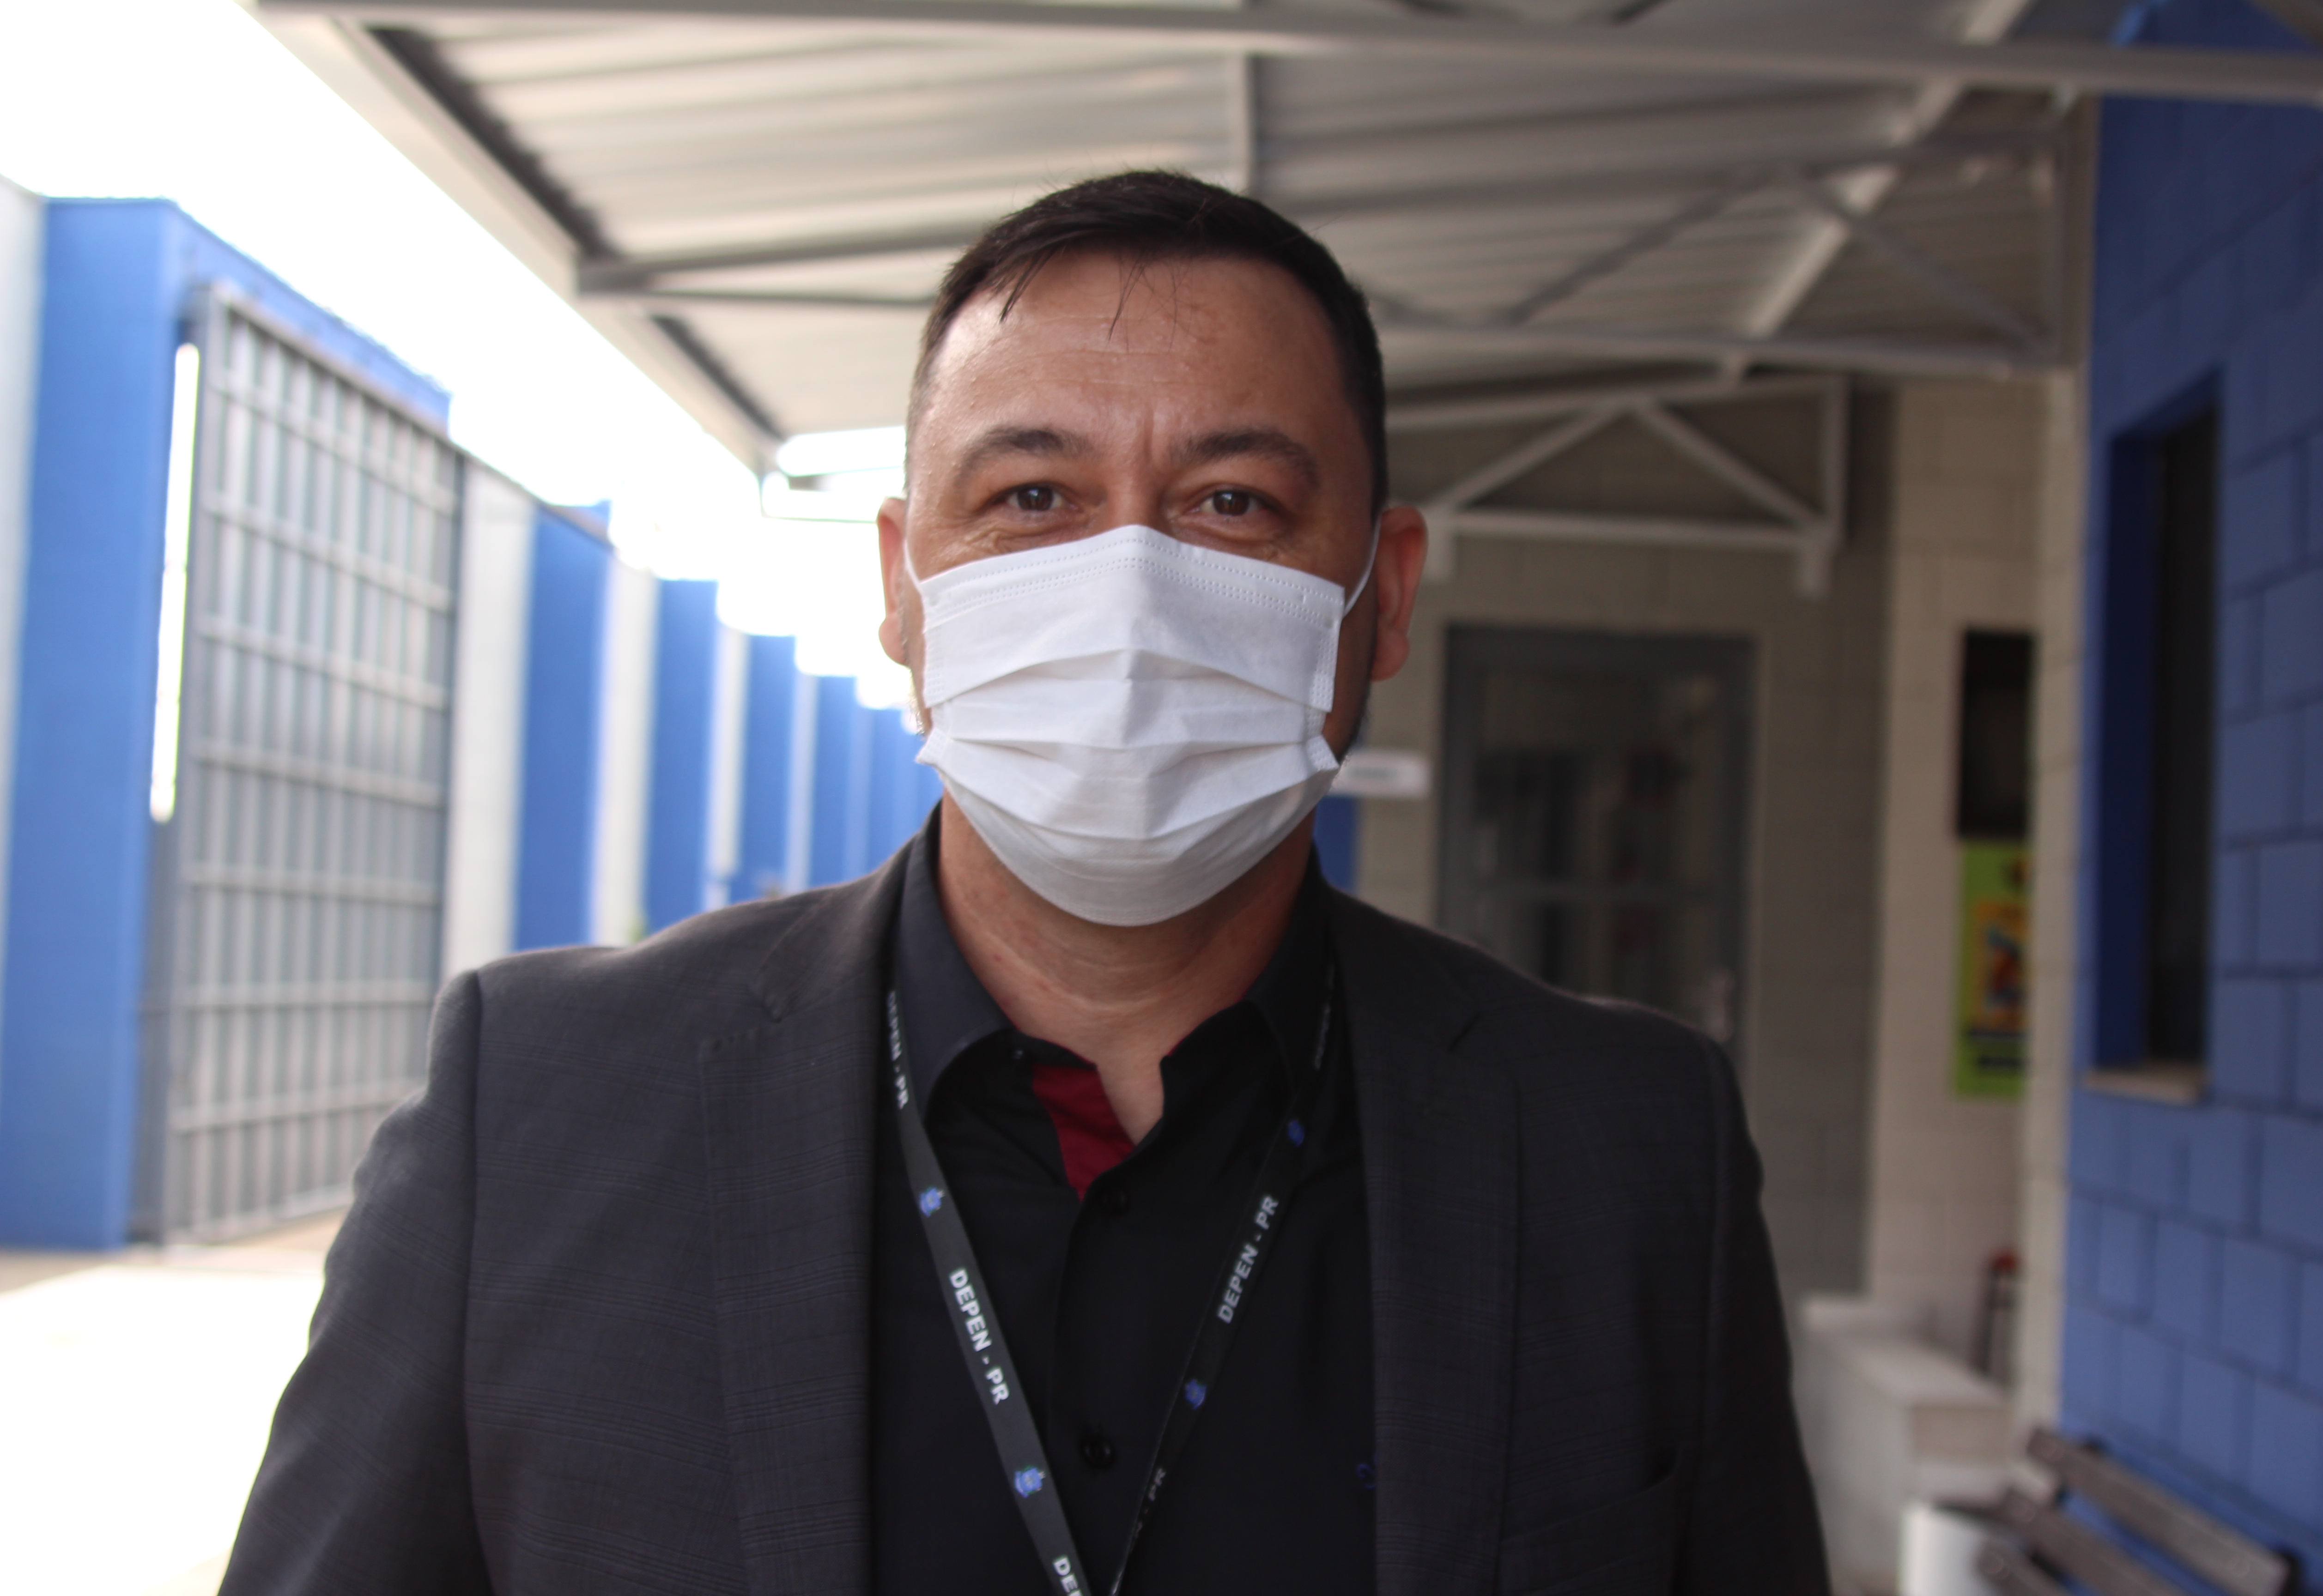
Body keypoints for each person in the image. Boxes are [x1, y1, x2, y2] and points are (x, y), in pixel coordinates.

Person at [220, 170, 1828, 1596]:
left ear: (1381, 596)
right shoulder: (538, 1107)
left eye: (1234, 504)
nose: (1128, 589)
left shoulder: (1630, 1150)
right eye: (1032, 498)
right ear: (902, 587)